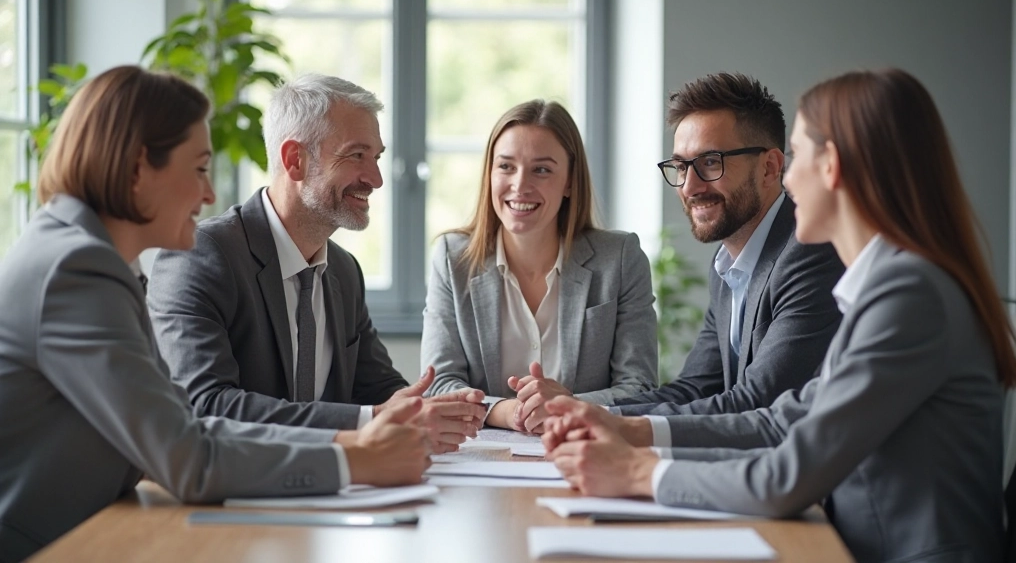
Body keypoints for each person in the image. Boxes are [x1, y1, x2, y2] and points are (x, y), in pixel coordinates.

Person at [543, 68, 1016, 563]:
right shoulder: (891, 286)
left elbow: (788, 473)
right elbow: (782, 422)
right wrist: (631, 430)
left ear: (830, 165)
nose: (789, 179)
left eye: (798, 157)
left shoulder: (910, 296)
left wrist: (636, 472)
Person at [0, 66, 432, 563]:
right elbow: (186, 456)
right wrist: (354, 459)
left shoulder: (87, 258)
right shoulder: (78, 270)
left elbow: (183, 427)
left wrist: (357, 445)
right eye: (200, 168)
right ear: (140, 169)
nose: (209, 194)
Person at [147, 74, 484, 453]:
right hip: (236, 498)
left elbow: (377, 390)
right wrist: (371, 421)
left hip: (336, 490)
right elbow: (206, 405)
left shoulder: (343, 271)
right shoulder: (202, 255)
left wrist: (433, 408)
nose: (375, 179)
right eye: (357, 155)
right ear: (295, 160)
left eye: (376, 157)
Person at [517, 73, 845, 433]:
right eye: (681, 166)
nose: (689, 186)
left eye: (710, 162)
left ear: (769, 167)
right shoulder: (729, 266)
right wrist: (577, 407)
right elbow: (694, 389)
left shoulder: (809, 255)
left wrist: (597, 418)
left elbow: (756, 402)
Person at [420, 100, 658, 432]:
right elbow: (439, 384)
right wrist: (508, 411)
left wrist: (567, 407)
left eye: (542, 169)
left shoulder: (619, 258)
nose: (520, 185)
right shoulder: (452, 258)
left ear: (570, 182)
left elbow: (640, 388)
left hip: (588, 450)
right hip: (484, 457)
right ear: (489, 174)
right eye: (506, 166)